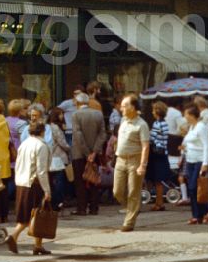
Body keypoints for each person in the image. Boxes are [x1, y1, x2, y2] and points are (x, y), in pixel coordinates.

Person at [6, 121, 52, 255]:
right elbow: (41, 170)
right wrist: (47, 190)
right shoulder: (41, 146)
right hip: (34, 183)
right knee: (36, 215)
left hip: (21, 182)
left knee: (35, 215)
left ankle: (38, 245)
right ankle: (14, 235)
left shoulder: (23, 144)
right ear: (42, 131)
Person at [112, 94, 150, 232]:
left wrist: (142, 165)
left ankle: (129, 222)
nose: (121, 108)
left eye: (124, 105)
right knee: (117, 191)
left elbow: (145, 146)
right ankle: (133, 208)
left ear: (133, 107)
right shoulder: (123, 120)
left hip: (134, 160)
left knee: (133, 191)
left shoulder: (142, 125)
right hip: (120, 160)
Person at [71, 92, 108, 216]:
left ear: (78, 103)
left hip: (79, 153)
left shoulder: (75, 115)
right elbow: (103, 134)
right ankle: (94, 207)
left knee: (80, 181)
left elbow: (78, 135)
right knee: (94, 179)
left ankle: (81, 208)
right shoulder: (98, 114)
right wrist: (94, 152)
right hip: (94, 153)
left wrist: (87, 152)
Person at [181, 105, 208, 225]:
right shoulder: (191, 127)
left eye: (186, 114)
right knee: (191, 189)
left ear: (192, 116)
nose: (185, 117)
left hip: (199, 160)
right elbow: (189, 141)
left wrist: (205, 163)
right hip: (190, 160)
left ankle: (207, 208)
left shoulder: (201, 127)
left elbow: (206, 145)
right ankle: (196, 214)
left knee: (195, 187)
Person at [147, 101, 174, 212]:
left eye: (154, 110)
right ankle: (159, 202)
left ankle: (159, 203)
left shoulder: (157, 124)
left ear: (157, 111)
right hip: (163, 153)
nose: (152, 112)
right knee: (159, 180)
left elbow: (152, 138)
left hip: (157, 153)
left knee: (157, 180)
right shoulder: (164, 123)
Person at [46, 108, 71, 211]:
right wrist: (69, 148)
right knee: (59, 181)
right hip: (58, 157)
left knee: (52, 180)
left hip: (50, 157)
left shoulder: (48, 126)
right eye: (60, 114)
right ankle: (58, 201)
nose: (62, 116)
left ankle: (53, 202)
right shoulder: (55, 127)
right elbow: (62, 142)